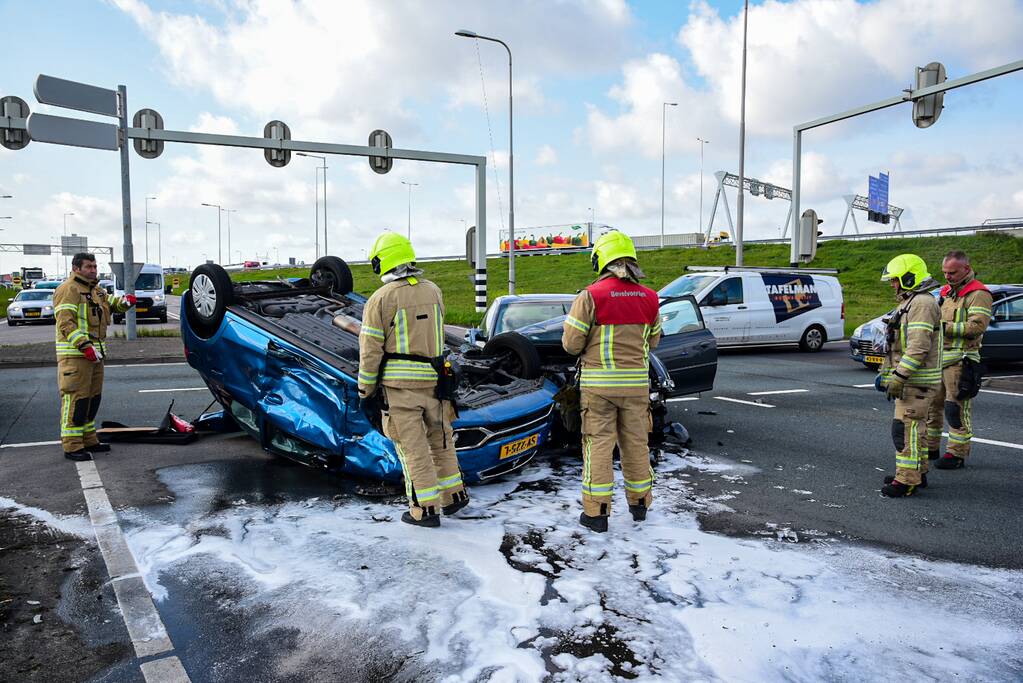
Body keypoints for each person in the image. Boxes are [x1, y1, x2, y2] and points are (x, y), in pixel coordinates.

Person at [357, 232, 467, 527]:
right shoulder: (433, 290)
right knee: (441, 440)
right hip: (436, 382)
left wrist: (365, 391)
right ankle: (454, 496)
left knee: (413, 449)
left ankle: (424, 511)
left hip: (400, 389)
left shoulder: (381, 299)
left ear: (382, 262)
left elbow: (370, 351)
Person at [562, 230, 661, 532]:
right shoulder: (650, 297)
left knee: (598, 446)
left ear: (601, 260)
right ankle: (640, 505)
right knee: (636, 444)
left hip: (599, 388)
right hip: (636, 388)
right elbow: (653, 342)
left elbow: (571, 345)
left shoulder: (590, 296)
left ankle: (597, 514)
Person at [53, 253, 136, 461]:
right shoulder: (68, 289)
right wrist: (84, 345)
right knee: (76, 400)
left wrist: (126, 302)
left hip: (96, 355)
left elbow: (112, 303)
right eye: (88, 266)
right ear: (76, 268)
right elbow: (65, 323)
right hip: (75, 355)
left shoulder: (96, 290)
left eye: (95, 266)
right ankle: (72, 446)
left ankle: (89, 440)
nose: (93, 270)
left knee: (92, 399)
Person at [877, 254, 941, 497]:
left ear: (909, 277)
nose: (893, 285)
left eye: (895, 280)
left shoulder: (921, 303)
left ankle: (906, 481)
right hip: (916, 380)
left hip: (916, 381)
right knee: (916, 431)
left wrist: (899, 376)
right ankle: (917, 473)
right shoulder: (913, 301)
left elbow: (918, 346)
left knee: (904, 430)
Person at [925, 250, 993, 470]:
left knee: (955, 409)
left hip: (962, 360)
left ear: (966, 268)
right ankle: (931, 447)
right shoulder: (946, 292)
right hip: (941, 359)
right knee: (933, 407)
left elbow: (977, 327)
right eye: (945, 272)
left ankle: (956, 453)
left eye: (952, 272)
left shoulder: (978, 293)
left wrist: (943, 328)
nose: (947, 276)